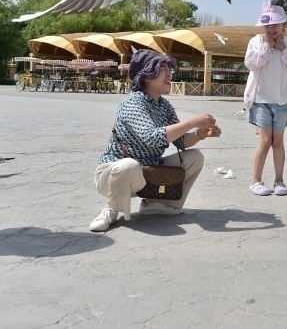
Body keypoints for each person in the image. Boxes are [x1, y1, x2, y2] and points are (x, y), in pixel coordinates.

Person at [89, 49, 221, 232]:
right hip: (113, 175)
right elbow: (152, 137)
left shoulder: (164, 105)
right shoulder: (133, 103)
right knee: (129, 165)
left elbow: (181, 141)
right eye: (162, 69)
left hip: (148, 173)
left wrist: (200, 134)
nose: (169, 74)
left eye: (169, 69)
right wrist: (192, 122)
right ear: (146, 77)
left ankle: (156, 204)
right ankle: (112, 208)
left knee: (195, 157)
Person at [244, 3, 287, 196]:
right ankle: (255, 181)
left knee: (278, 142)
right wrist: (267, 46)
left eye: (275, 24)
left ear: (283, 24)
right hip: (261, 99)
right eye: (267, 25)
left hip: (282, 99)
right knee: (265, 141)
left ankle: (279, 181)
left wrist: (283, 49)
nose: (271, 28)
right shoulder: (256, 41)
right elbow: (251, 64)